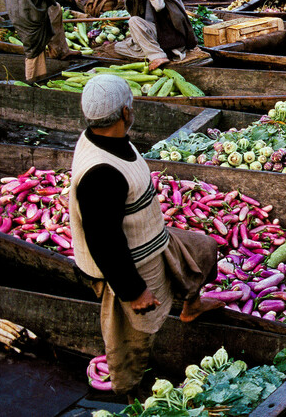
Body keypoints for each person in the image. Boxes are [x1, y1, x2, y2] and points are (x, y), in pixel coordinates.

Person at [69, 74, 222, 399]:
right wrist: (133, 291)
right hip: (127, 261)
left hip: (153, 239)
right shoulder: (101, 174)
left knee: (204, 249)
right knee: (135, 335)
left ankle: (190, 306)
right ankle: (129, 390)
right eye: (131, 105)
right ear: (125, 112)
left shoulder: (108, 136)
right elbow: (104, 241)